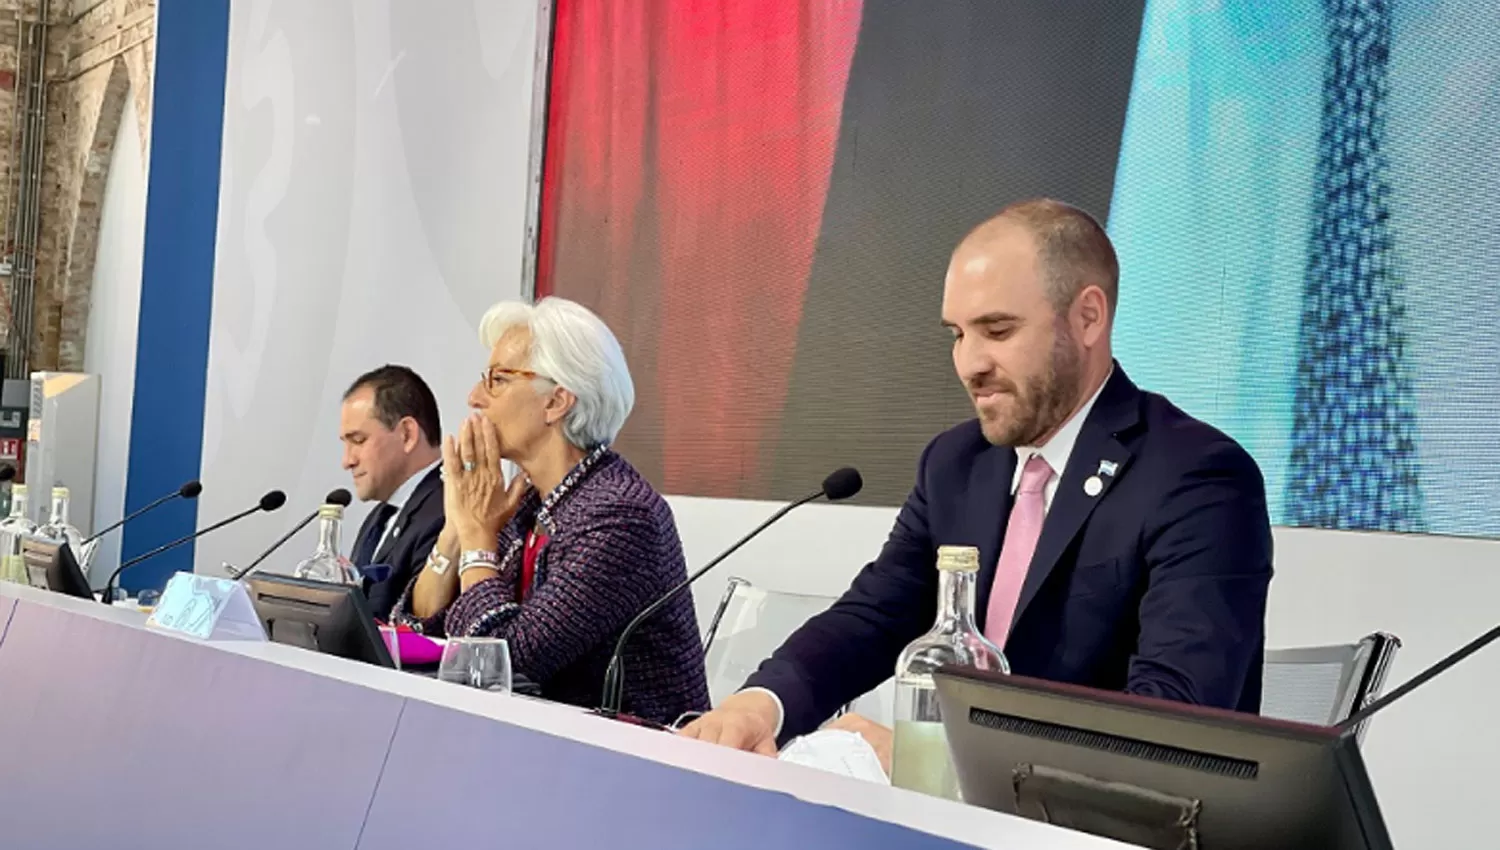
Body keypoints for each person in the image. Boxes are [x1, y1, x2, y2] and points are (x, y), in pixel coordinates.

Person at [680, 198, 1273, 766]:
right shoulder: (955, 463)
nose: (969, 363)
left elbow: (1172, 722)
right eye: (958, 334)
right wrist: (761, 706)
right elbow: (875, 614)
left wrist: (939, 761)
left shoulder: (1199, 477)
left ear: (1088, 317)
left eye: (997, 329)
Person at [392, 296, 710, 725]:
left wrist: (477, 538)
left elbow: (505, 663)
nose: (474, 398)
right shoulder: (529, 502)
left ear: (557, 401)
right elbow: (423, 630)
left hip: (638, 767)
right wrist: (458, 524)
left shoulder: (620, 515)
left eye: (496, 380)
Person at [339, 365, 445, 621]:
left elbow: (420, 623)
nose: (347, 461)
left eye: (359, 440)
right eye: (345, 444)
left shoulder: (447, 508)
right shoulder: (381, 516)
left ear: (407, 434)